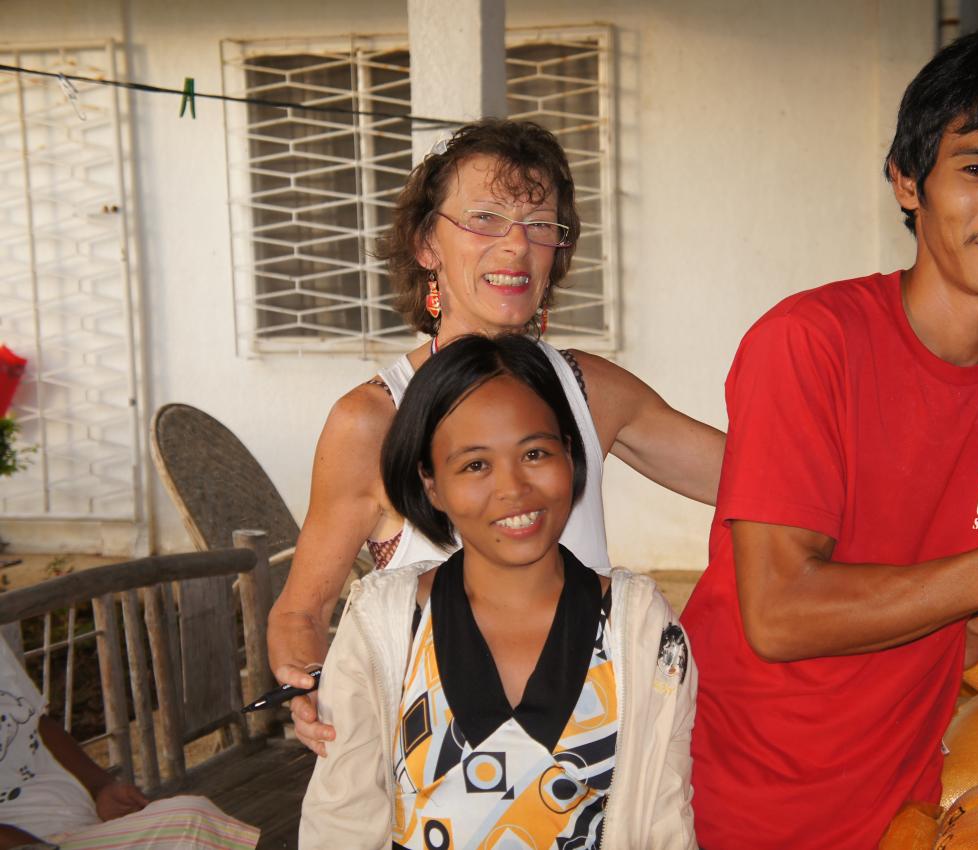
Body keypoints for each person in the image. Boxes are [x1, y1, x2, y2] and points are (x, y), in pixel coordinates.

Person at [680, 26, 978, 849]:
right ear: (907, 183)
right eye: (976, 168)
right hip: (731, 805)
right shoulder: (809, 342)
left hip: (900, 809)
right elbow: (780, 614)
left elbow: (975, 628)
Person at [268, 119, 723, 754]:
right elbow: (299, 611)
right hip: (430, 770)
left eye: (540, 225)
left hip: (588, 754)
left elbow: (751, 480)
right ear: (427, 242)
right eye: (484, 218)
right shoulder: (374, 420)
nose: (516, 246)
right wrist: (310, 680)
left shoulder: (589, 390)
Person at [299, 333, 696, 850]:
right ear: (431, 484)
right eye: (475, 464)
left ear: (570, 456)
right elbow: (339, 825)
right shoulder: (385, 625)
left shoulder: (641, 630)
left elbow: (665, 824)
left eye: (534, 452)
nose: (512, 487)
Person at [0, 640, 258, 850]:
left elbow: (39, 725)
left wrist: (101, 787)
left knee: (194, 819)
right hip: (31, 840)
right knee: (188, 827)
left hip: (79, 826)